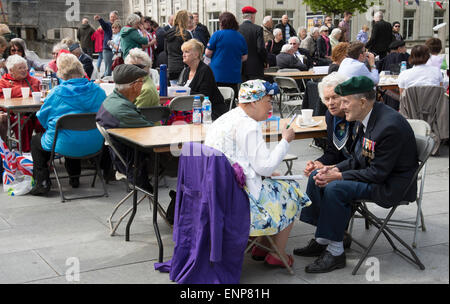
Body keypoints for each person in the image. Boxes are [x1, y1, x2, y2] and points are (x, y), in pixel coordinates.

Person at [294, 76, 419, 273]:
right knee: (319, 174)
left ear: (362, 102)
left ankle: (335, 252)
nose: (341, 107)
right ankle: (324, 238)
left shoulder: (388, 125)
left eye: (345, 101)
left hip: (390, 186)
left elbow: (377, 173)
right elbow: (359, 158)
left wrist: (338, 176)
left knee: (335, 187)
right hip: (378, 176)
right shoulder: (369, 116)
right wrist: (334, 169)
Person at [205, 79, 311, 268]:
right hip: (240, 196)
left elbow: (240, 159)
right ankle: (277, 254)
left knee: (277, 182)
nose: (271, 106)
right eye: (268, 101)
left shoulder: (226, 118)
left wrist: (264, 173)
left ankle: (262, 246)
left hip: (220, 190)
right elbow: (265, 167)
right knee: (291, 190)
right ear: (254, 101)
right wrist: (285, 141)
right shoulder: (248, 125)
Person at [29, 53, 106, 195]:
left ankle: (42, 182)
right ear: (81, 70)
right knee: (72, 131)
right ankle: (74, 178)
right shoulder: (98, 91)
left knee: (36, 141)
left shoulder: (57, 93)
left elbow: (42, 118)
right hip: (95, 142)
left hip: (65, 143)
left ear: (61, 73)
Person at [96, 64, 154, 193]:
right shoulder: (121, 110)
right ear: (134, 85)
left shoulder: (112, 100)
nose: (143, 85)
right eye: (141, 82)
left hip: (129, 157)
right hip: (136, 162)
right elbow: (152, 132)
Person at [303, 72, 354, 181]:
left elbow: (358, 158)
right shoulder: (330, 116)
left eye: (334, 97)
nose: (330, 103)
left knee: (326, 182)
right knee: (315, 175)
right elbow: (333, 152)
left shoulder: (355, 116)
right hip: (341, 166)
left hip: (357, 169)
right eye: (327, 99)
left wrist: (334, 169)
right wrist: (318, 163)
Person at [0, 55, 42, 152]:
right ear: (11, 70)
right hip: (14, 113)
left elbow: (40, 94)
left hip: (34, 112)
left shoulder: (33, 80)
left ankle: (45, 153)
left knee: (43, 122)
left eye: (25, 67)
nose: (24, 70)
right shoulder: (3, 82)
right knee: (23, 122)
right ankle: (25, 153)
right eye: (20, 68)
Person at [178, 39, 227, 120]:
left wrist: (184, 92)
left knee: (178, 118)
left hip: (210, 111)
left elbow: (204, 96)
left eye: (186, 52)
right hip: (193, 110)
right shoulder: (186, 71)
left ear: (196, 54)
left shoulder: (205, 70)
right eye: (183, 52)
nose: (183, 55)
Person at [206, 12, 248, 99]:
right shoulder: (240, 37)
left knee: (216, 98)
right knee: (231, 98)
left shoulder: (217, 34)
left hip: (217, 73)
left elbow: (207, 53)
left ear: (222, 23)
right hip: (234, 74)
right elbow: (244, 57)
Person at [239, 6, 267, 81]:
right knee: (256, 91)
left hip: (241, 67)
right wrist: (265, 60)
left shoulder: (237, 29)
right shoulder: (258, 29)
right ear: (252, 16)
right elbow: (260, 48)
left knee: (243, 91)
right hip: (255, 67)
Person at [165, 10, 192, 82]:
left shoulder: (168, 33)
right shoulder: (186, 34)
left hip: (171, 67)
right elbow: (190, 52)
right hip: (183, 67)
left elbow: (166, 51)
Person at [94, 10, 120, 77]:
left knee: (115, 68)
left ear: (117, 18)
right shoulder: (108, 25)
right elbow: (103, 24)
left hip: (117, 50)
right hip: (107, 49)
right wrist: (100, 19)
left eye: (114, 17)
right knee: (108, 68)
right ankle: (104, 80)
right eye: (111, 17)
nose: (112, 18)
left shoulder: (120, 26)